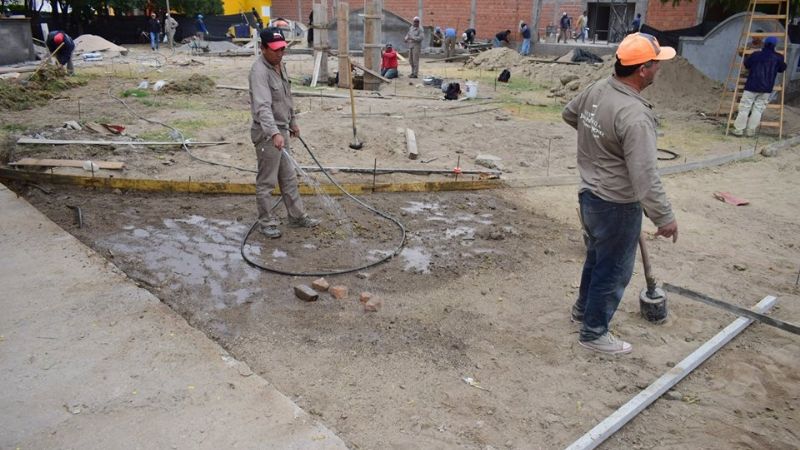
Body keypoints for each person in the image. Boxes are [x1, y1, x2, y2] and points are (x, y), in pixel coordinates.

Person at [562, 32, 679, 354]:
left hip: (590, 195)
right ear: (642, 69)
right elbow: (645, 176)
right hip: (616, 204)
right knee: (613, 271)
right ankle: (594, 333)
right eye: (657, 64)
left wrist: (600, 145)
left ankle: (582, 311)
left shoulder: (599, 88)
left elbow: (569, 114)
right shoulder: (635, 115)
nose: (659, 69)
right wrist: (665, 218)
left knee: (597, 259)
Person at [249, 28, 320, 239]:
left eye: (282, 49)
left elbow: (287, 97)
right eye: (275, 50)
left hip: (282, 129)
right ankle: (266, 222)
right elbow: (263, 107)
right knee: (267, 181)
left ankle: (297, 217)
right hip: (266, 133)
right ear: (262, 48)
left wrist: (293, 121)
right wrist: (274, 134)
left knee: (288, 177)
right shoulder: (259, 72)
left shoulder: (280, 66)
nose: (280, 54)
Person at [732, 36, 786, 137]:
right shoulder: (778, 57)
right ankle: (750, 131)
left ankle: (739, 130)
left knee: (744, 108)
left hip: (751, 85)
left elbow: (747, 64)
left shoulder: (756, 55)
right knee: (758, 109)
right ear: (775, 46)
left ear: (764, 43)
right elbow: (782, 68)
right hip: (766, 88)